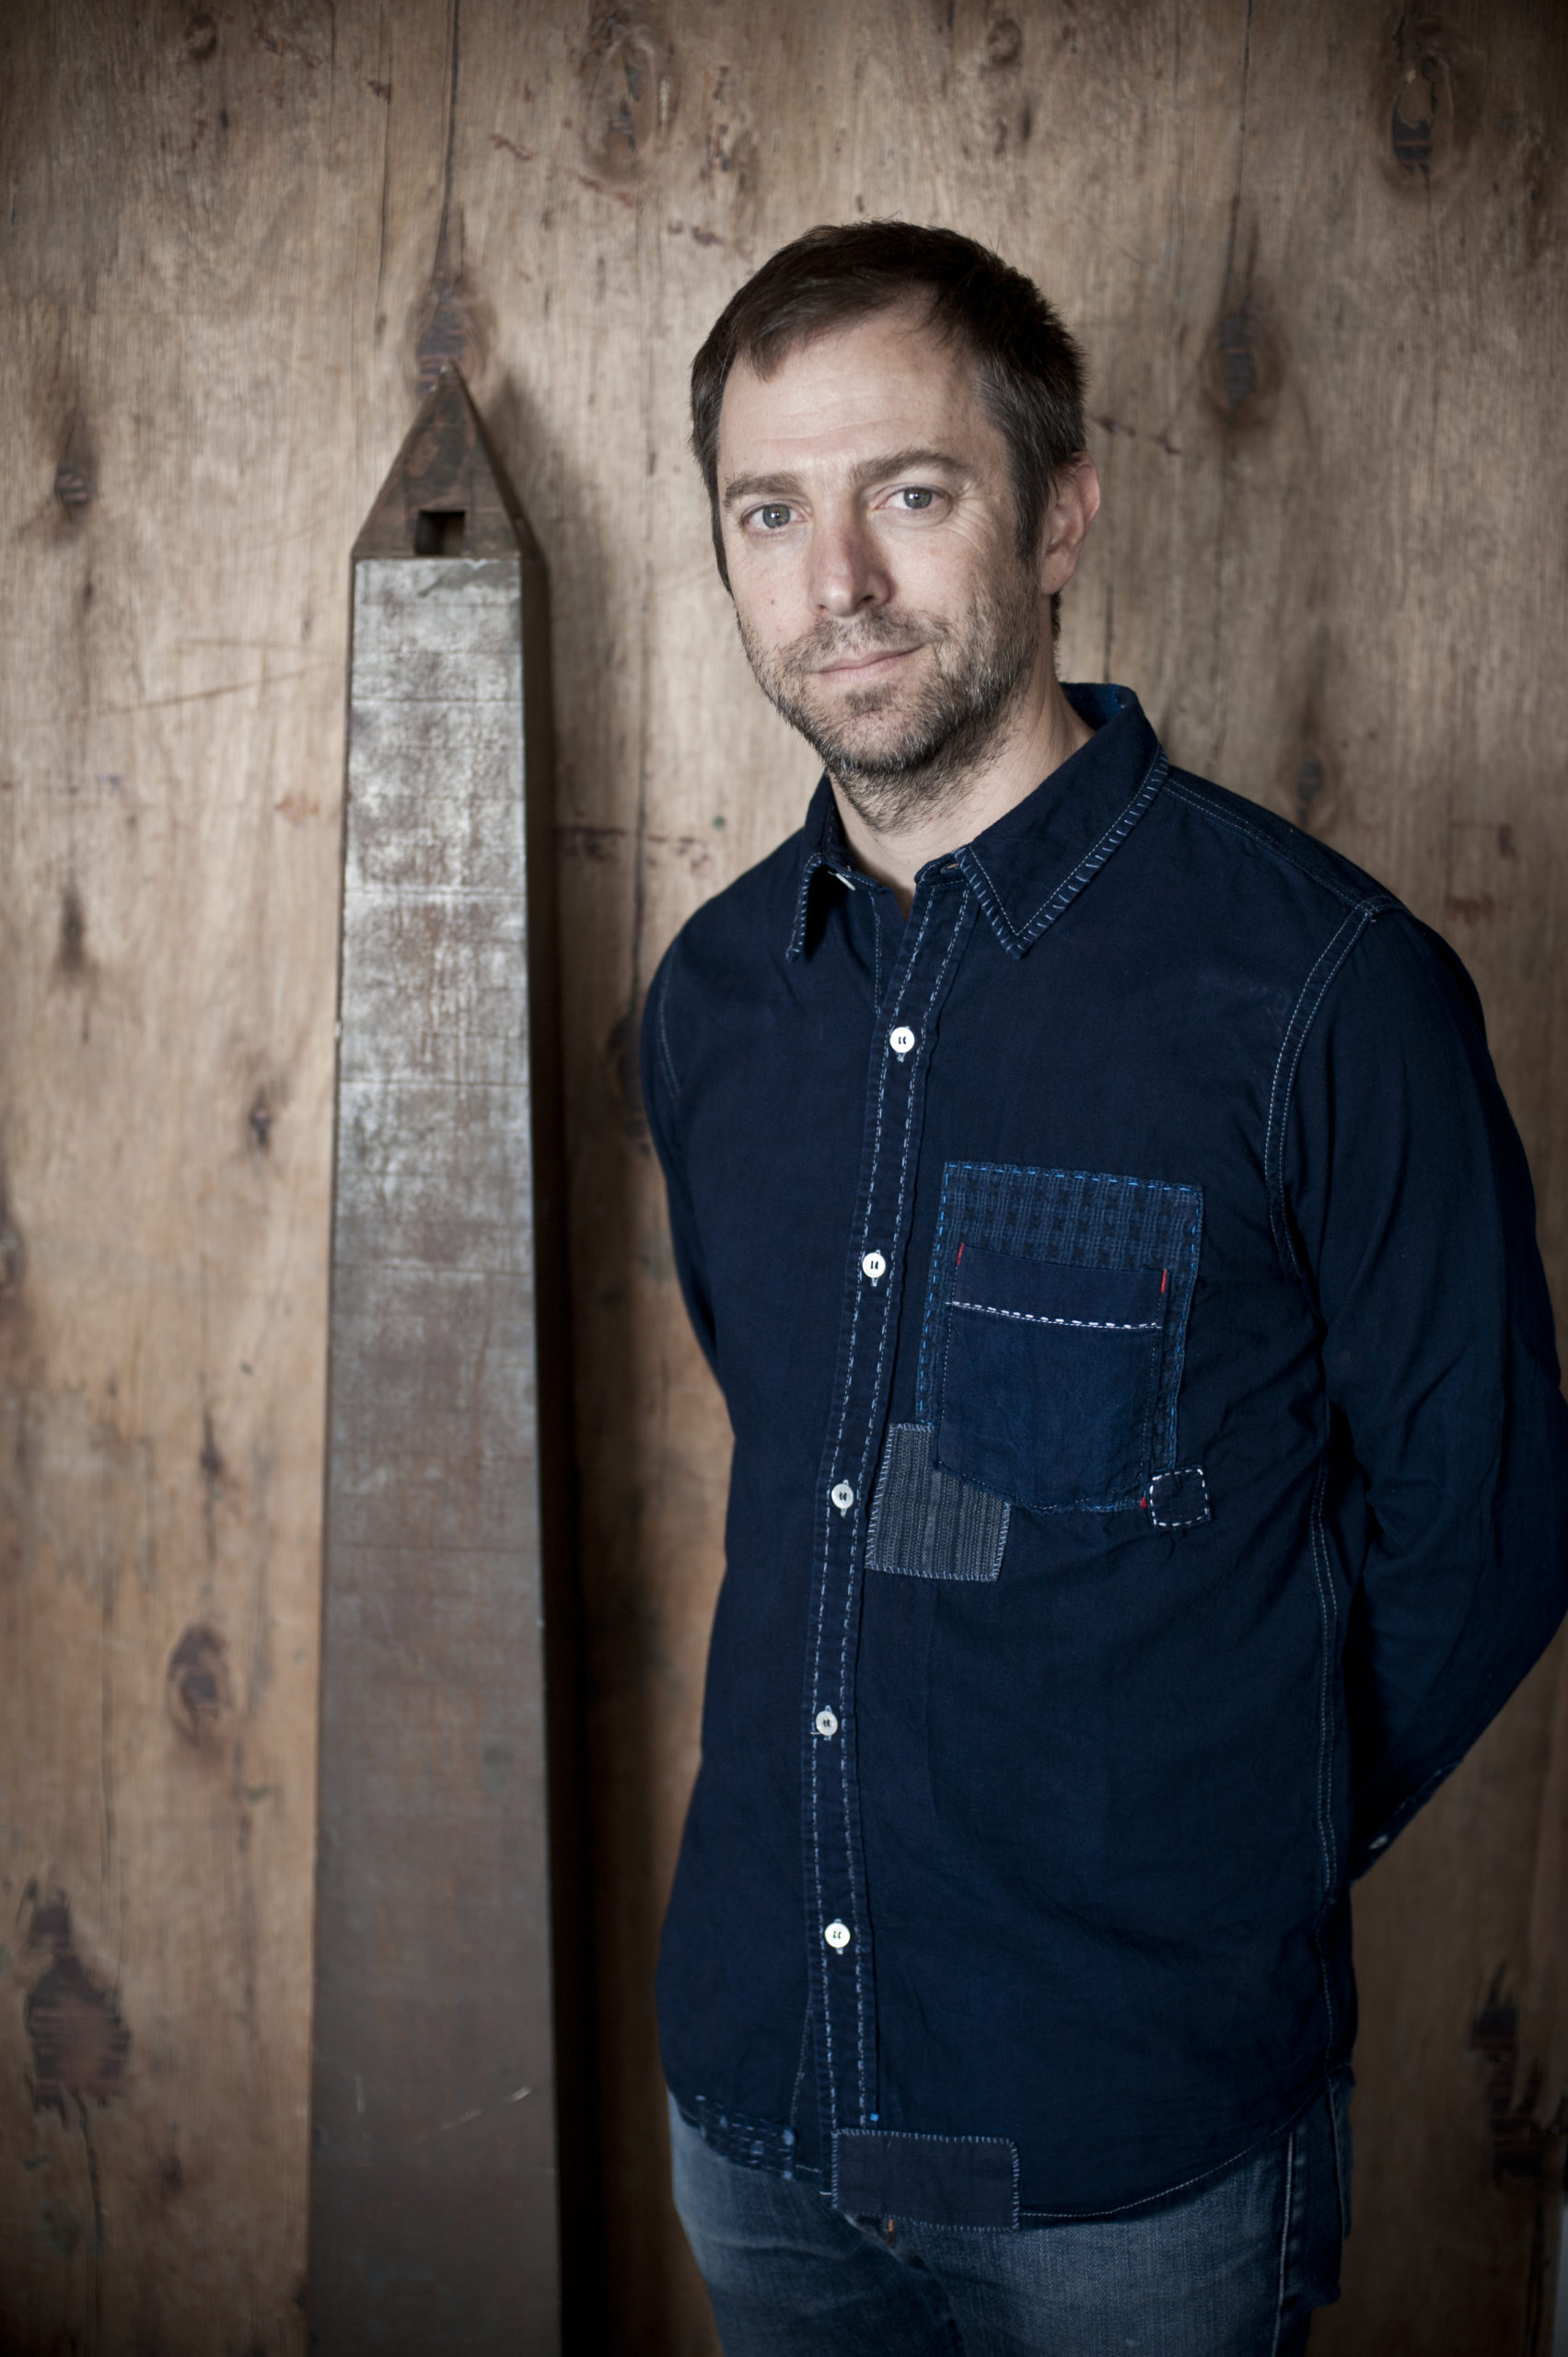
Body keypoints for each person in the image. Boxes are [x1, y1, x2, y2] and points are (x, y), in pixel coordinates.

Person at [639, 220, 1568, 2355]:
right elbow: (810, 1456)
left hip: (1132, 2155)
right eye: (769, 513)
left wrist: (1224, 1829)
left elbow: (1488, 1517)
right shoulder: (710, 1003)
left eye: (913, 491)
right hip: (766, 2116)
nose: (837, 581)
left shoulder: (1321, 994)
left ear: (1060, 511)